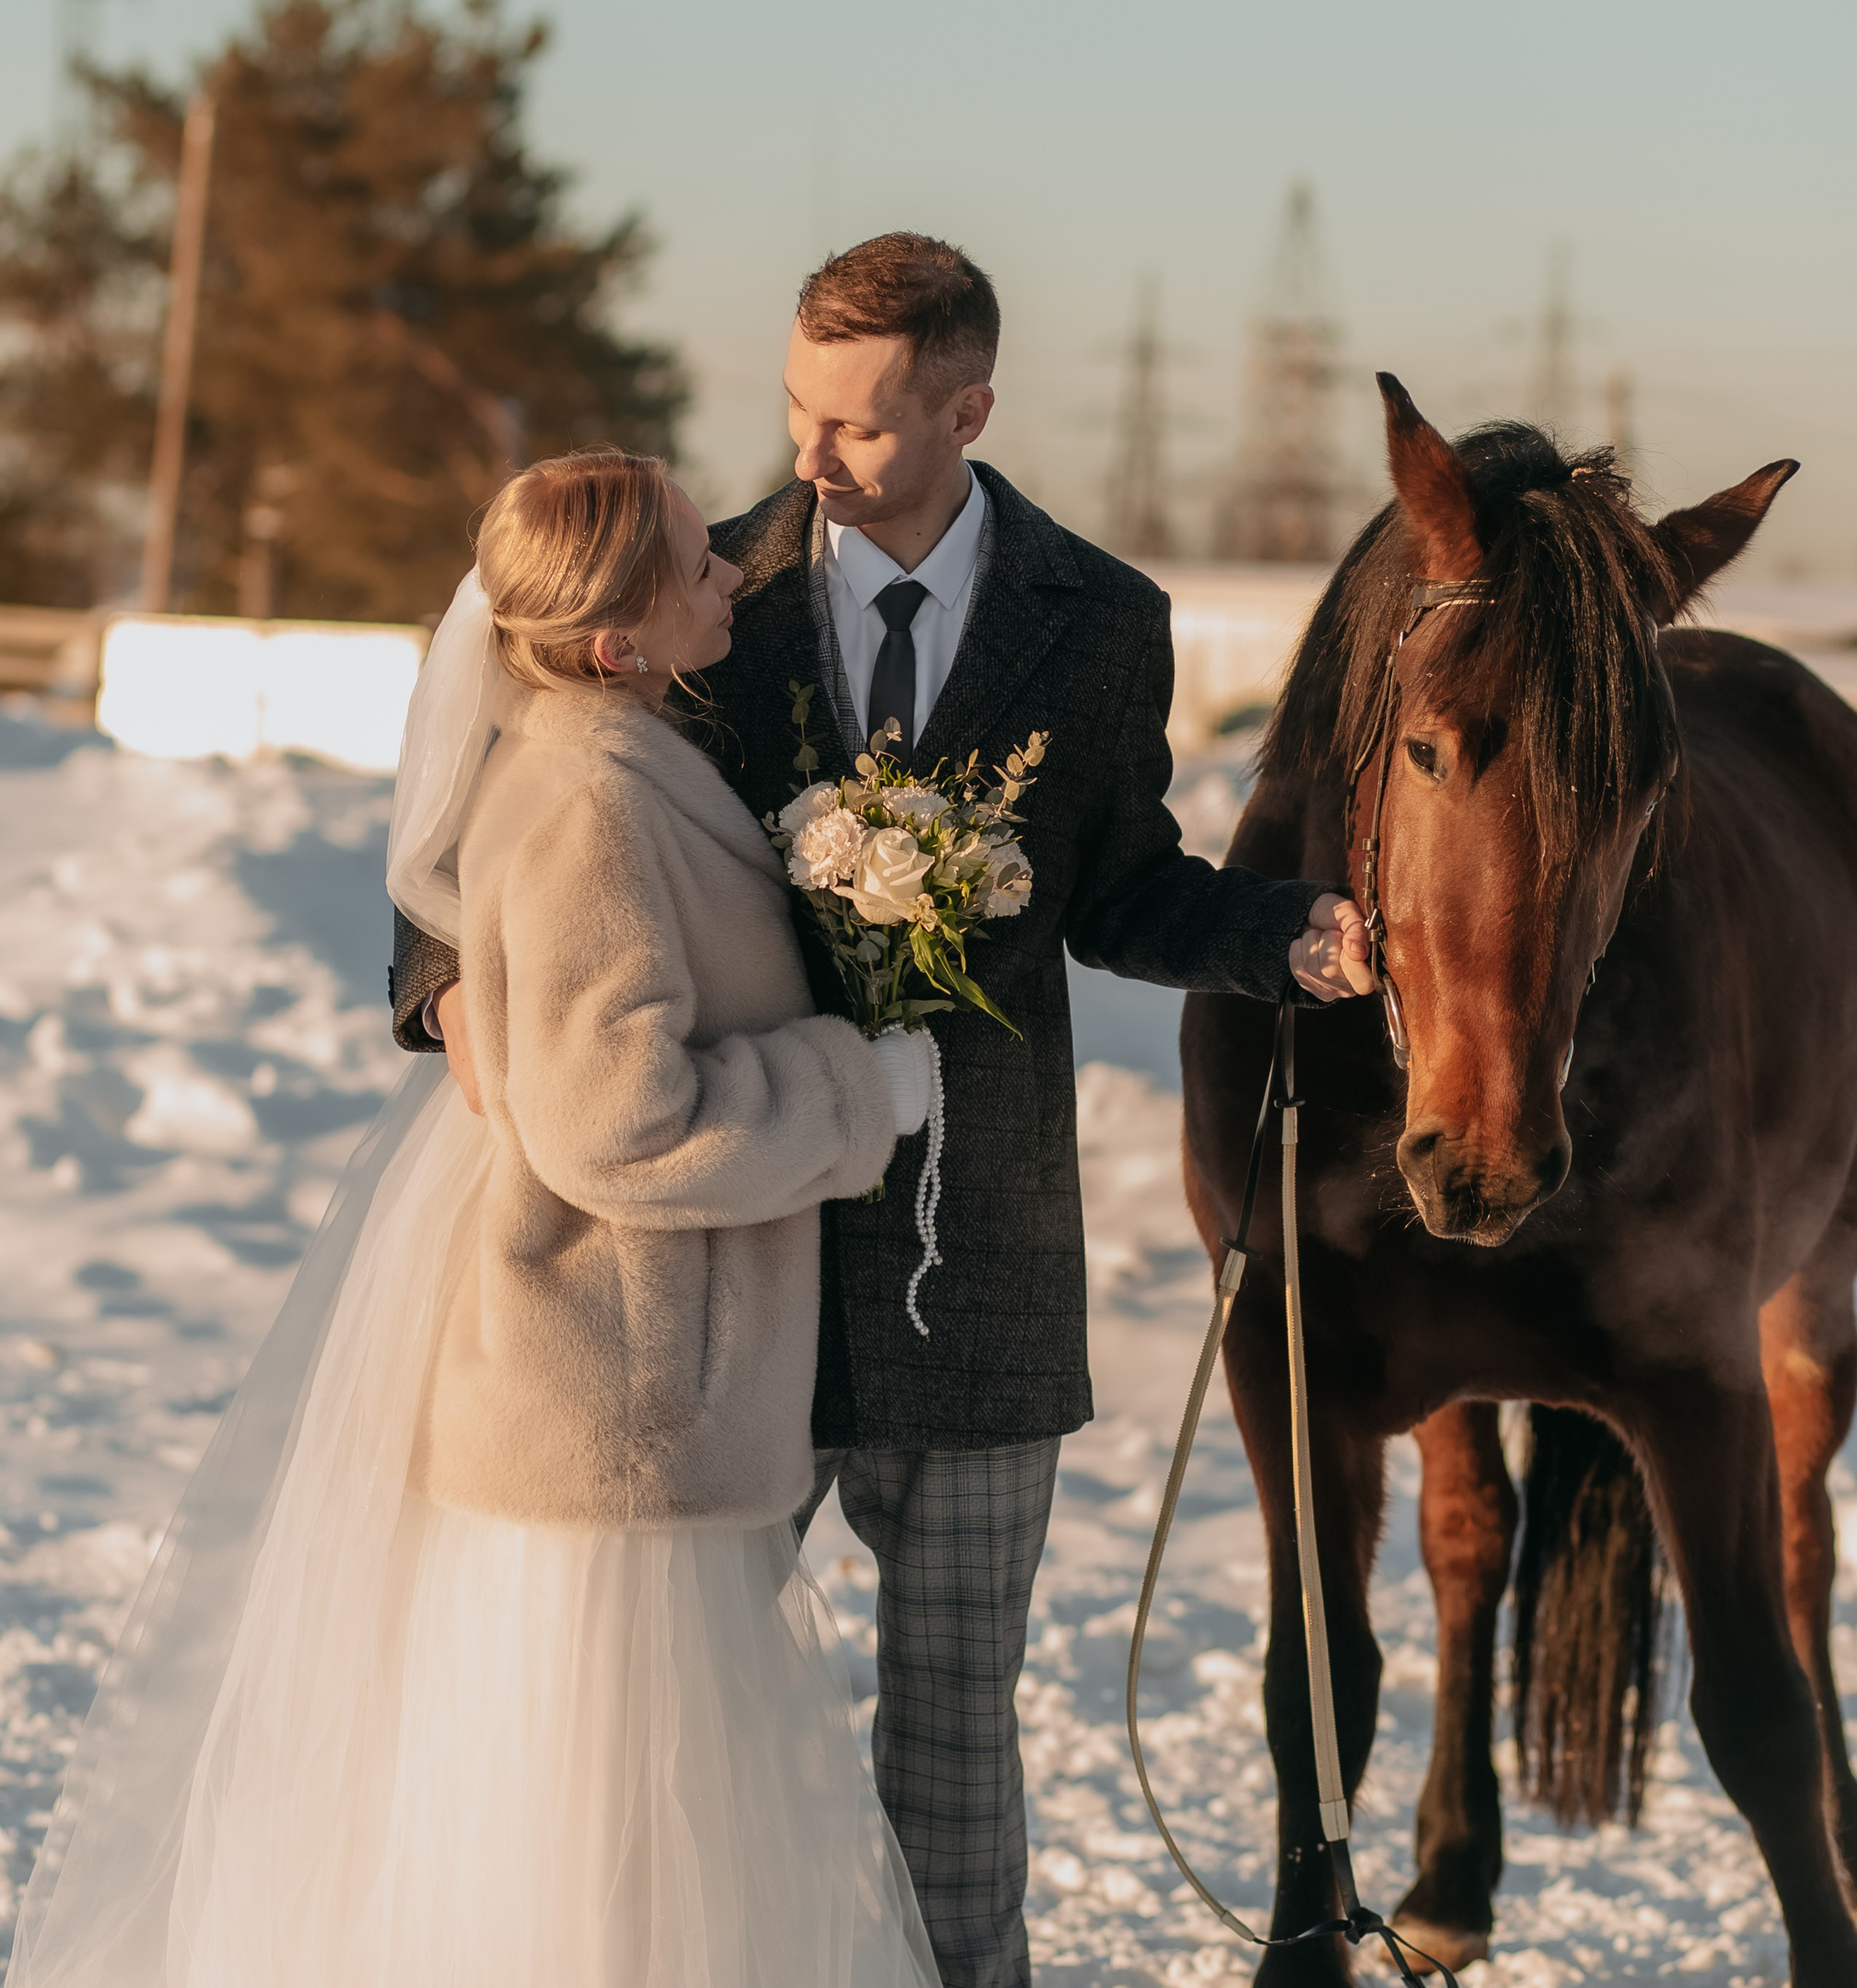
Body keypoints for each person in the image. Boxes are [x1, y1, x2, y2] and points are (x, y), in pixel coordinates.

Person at [392, 234, 1374, 1988]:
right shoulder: (703, 589)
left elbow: (1122, 885)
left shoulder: (1104, 623)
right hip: (709, 1276)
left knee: (952, 1749)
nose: (804, 457)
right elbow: (514, 771)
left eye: (851, 423)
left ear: (965, 407)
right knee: (658, 1738)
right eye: (791, 407)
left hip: (981, 1262)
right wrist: (439, 972)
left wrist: (1280, 933)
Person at [10, 450, 944, 1988]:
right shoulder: (590, 797)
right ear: (616, 641)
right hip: (614, 1388)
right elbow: (613, 1117)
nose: (732, 570)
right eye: (693, 564)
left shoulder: (612, 757)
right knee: (600, 1838)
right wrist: (858, 1089)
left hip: (631, 1385)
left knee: (613, 1831)